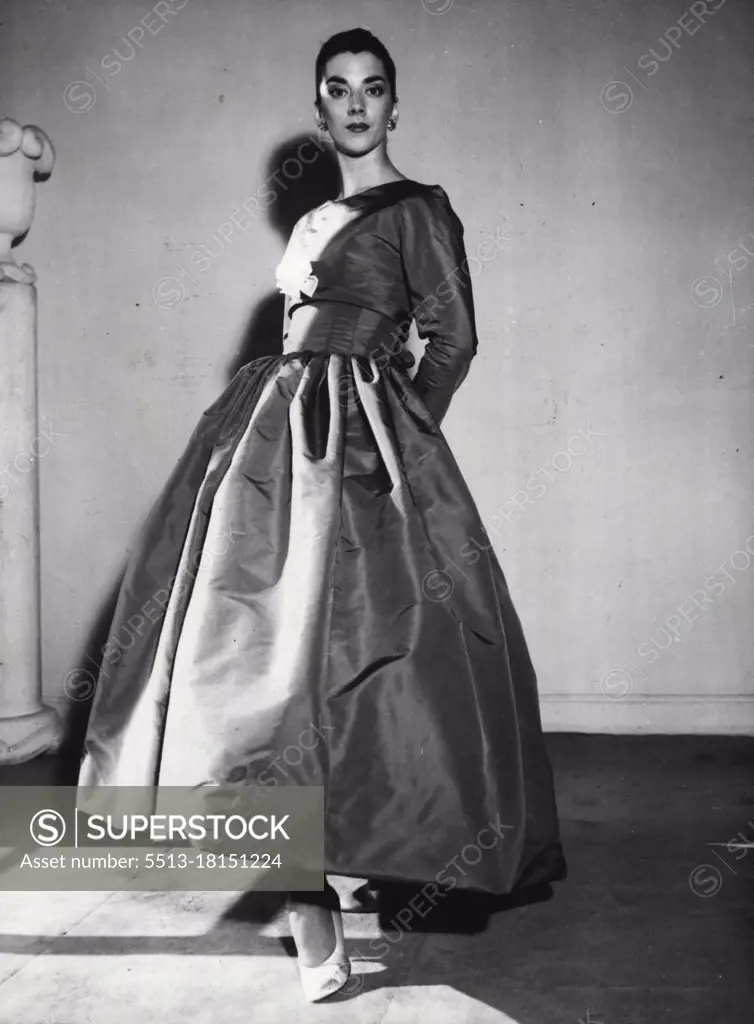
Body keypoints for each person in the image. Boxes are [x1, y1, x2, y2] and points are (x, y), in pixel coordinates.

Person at [77, 27, 566, 1003]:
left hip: (360, 449)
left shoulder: (419, 209)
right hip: (264, 447)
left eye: (372, 89)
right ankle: (308, 906)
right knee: (247, 668)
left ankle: (367, 859)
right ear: (318, 106)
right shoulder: (308, 226)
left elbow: (453, 336)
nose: (354, 104)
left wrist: (395, 437)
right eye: (336, 89)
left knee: (362, 669)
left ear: (394, 105)